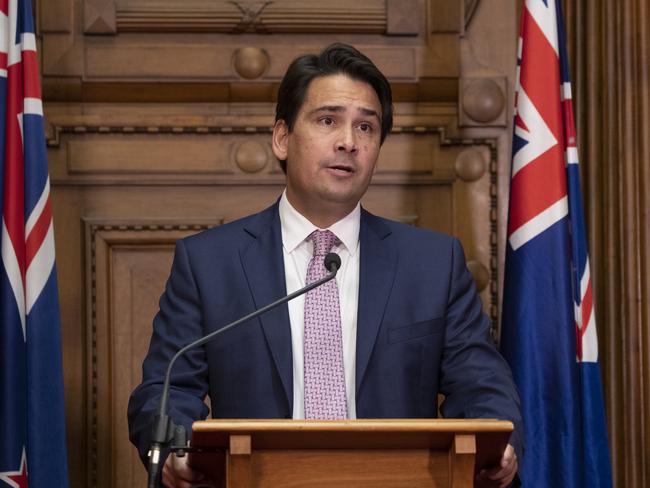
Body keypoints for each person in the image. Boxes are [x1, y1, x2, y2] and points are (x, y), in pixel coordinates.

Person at [128, 43, 523, 488]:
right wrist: (178, 452)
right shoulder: (209, 263)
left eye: (366, 127)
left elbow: (481, 383)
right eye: (328, 120)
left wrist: (498, 439)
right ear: (282, 137)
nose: (348, 142)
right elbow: (166, 391)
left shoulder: (432, 264)